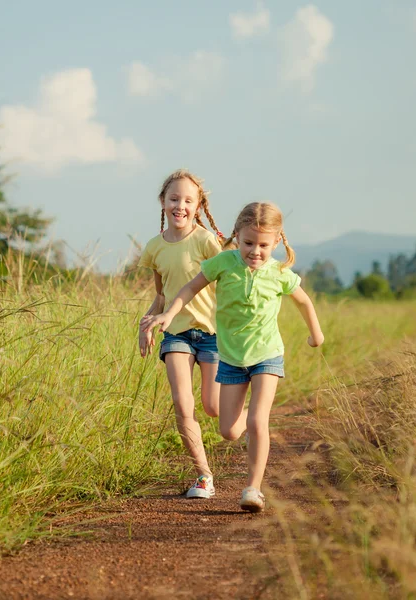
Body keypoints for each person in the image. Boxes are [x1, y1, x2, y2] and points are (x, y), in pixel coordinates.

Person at [141, 202, 324, 512]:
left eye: (264, 245)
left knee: (256, 421)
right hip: (230, 358)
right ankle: (255, 418)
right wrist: (170, 313)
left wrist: (315, 334)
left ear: (276, 242)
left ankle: (253, 489)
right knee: (227, 430)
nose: (255, 251)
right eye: (249, 243)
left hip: (267, 355)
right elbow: (189, 288)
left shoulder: (279, 272)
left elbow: (304, 302)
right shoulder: (223, 263)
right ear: (237, 236)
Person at [138, 169, 224, 499]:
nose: (180, 206)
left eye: (188, 200)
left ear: (198, 204)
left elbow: (225, 281)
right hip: (176, 333)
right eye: (174, 199)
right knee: (181, 403)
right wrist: (146, 324)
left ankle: (250, 419)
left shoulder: (205, 241)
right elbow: (161, 296)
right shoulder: (154, 247)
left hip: (211, 332)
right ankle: (204, 476)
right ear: (163, 201)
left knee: (213, 407)